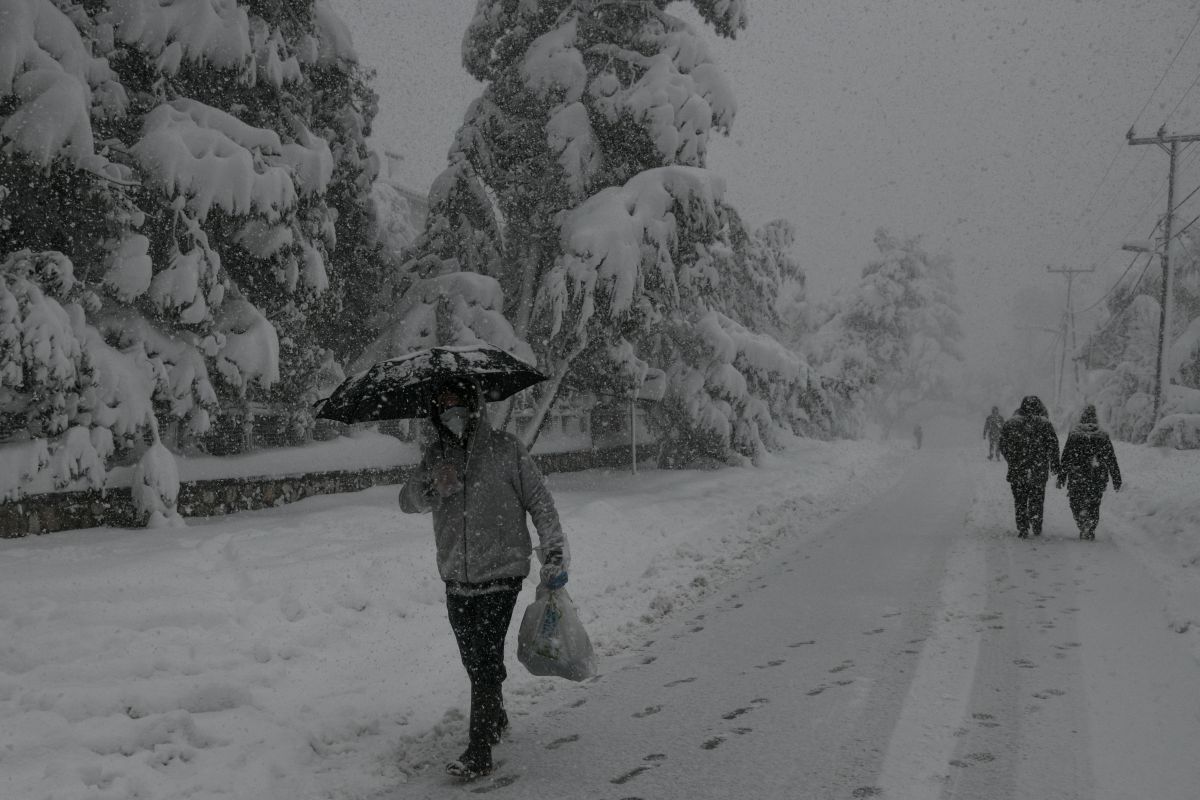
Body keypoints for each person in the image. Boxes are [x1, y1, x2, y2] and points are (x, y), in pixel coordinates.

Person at [399, 376, 569, 779]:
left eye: (456, 398)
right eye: (441, 402)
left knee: (483, 658)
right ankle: (495, 712)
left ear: (473, 403)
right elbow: (406, 502)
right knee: (472, 657)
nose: (449, 408)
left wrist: (555, 550)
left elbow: (539, 501)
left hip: (502, 572)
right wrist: (431, 486)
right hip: (456, 576)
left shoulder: (506, 449)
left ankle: (479, 751)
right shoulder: (435, 456)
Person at [998, 395, 1060, 538]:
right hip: (1039, 469)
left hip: (1017, 469)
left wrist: (1012, 459)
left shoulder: (1010, 423)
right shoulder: (1045, 424)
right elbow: (1053, 446)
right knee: (1037, 498)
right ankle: (1036, 522)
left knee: (1020, 499)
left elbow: (1002, 445)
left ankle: (1022, 526)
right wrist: (1055, 465)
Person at [1057, 405, 1122, 540]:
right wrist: (1116, 478)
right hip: (1097, 476)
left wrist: (1062, 476)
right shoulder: (1103, 435)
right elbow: (1111, 458)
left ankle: (1081, 523)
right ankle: (1091, 526)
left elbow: (1066, 457)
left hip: (1077, 475)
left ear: (1082, 418)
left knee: (1075, 501)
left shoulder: (1074, 434)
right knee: (1094, 503)